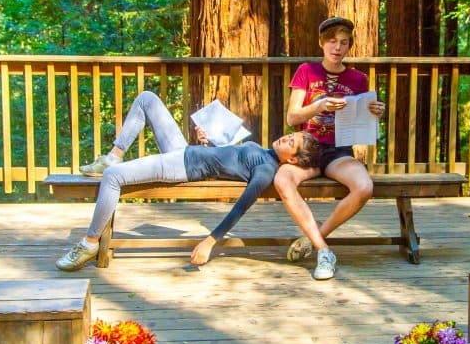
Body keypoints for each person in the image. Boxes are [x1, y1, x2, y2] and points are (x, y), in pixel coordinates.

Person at [56, 91, 320, 271]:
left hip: (182, 165)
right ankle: (114, 155)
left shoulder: (265, 169)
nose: (286, 137)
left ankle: (89, 243)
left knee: (112, 178)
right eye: (289, 135)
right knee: (147, 98)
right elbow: (227, 159)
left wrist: (210, 242)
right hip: (186, 150)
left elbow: (241, 207)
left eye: (291, 142)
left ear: (293, 161)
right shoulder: (264, 152)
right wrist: (210, 142)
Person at [274, 16, 386, 280]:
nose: (338, 48)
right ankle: (324, 251)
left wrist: (374, 112)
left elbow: (362, 122)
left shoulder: (358, 79)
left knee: (365, 187)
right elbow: (292, 118)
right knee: (282, 180)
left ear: (349, 47)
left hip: (339, 151)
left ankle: (314, 238)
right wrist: (319, 106)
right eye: (333, 42)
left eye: (344, 43)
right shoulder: (306, 72)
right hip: (307, 150)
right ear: (322, 43)